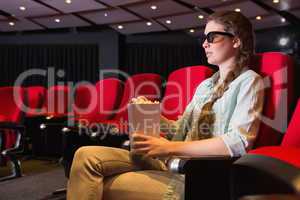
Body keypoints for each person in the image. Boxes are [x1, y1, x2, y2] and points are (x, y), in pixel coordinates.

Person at [67, 10, 264, 200]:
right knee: (85, 155)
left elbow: (238, 143)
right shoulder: (206, 85)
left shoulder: (249, 81)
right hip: (171, 162)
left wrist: (169, 147)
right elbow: (181, 128)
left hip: (198, 174)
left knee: (95, 184)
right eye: (204, 38)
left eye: (212, 37)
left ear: (236, 41)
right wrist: (150, 114)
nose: (205, 44)